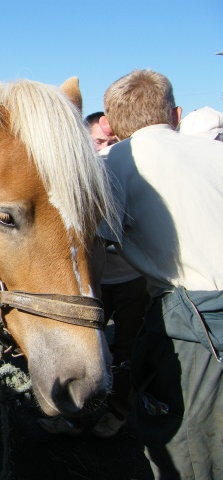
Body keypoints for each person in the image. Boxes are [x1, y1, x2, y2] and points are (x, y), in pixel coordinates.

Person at [96, 69, 223, 479]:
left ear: (111, 126)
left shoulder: (113, 164)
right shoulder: (216, 153)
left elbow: (94, 239)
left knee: (187, 445)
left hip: (195, 320)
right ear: (176, 113)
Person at [37, 112, 149, 439]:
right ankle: (71, 415)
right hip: (92, 282)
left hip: (129, 280)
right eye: (99, 142)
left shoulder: (128, 173)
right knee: (87, 350)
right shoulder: (71, 180)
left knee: (125, 350)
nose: (105, 149)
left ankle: (117, 413)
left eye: (111, 142)